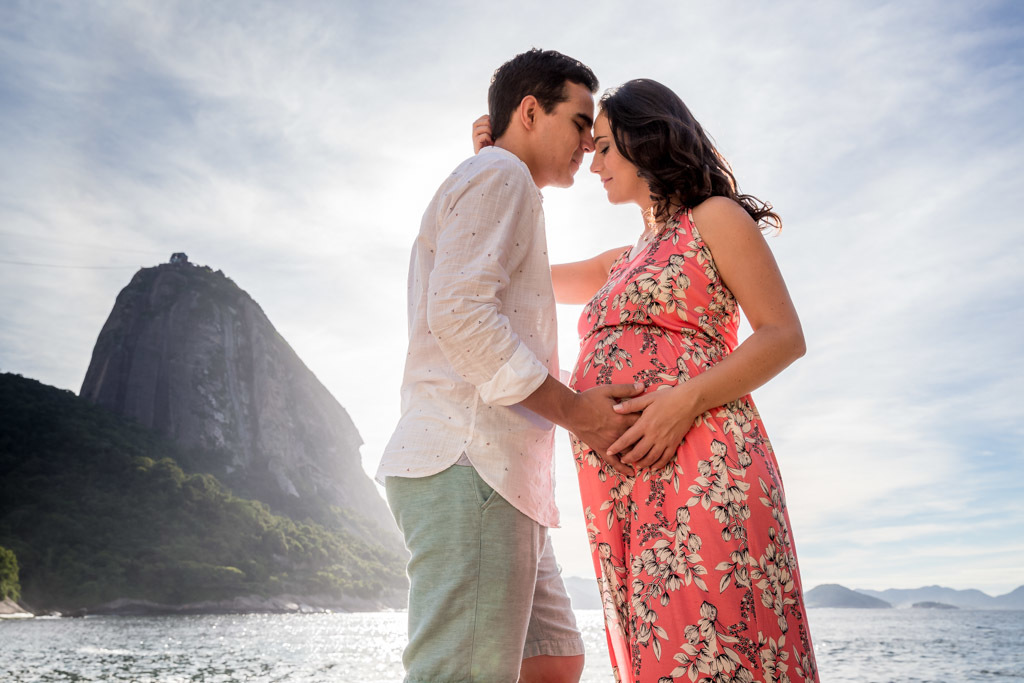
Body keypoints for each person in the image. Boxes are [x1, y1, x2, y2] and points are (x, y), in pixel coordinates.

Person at [472, 80, 819, 682]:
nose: (594, 163)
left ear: (645, 140)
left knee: (721, 645)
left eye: (604, 147)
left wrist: (682, 401)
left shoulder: (713, 218)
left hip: (703, 470)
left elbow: (783, 335)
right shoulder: (623, 258)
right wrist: (498, 165)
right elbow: (517, 271)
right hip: (625, 493)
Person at [377, 49, 643, 683]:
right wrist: (580, 413)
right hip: (471, 463)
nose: (589, 142)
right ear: (531, 111)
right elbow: (463, 315)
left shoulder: (493, 174)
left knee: (553, 659)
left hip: (500, 476)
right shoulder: (501, 174)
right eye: (581, 123)